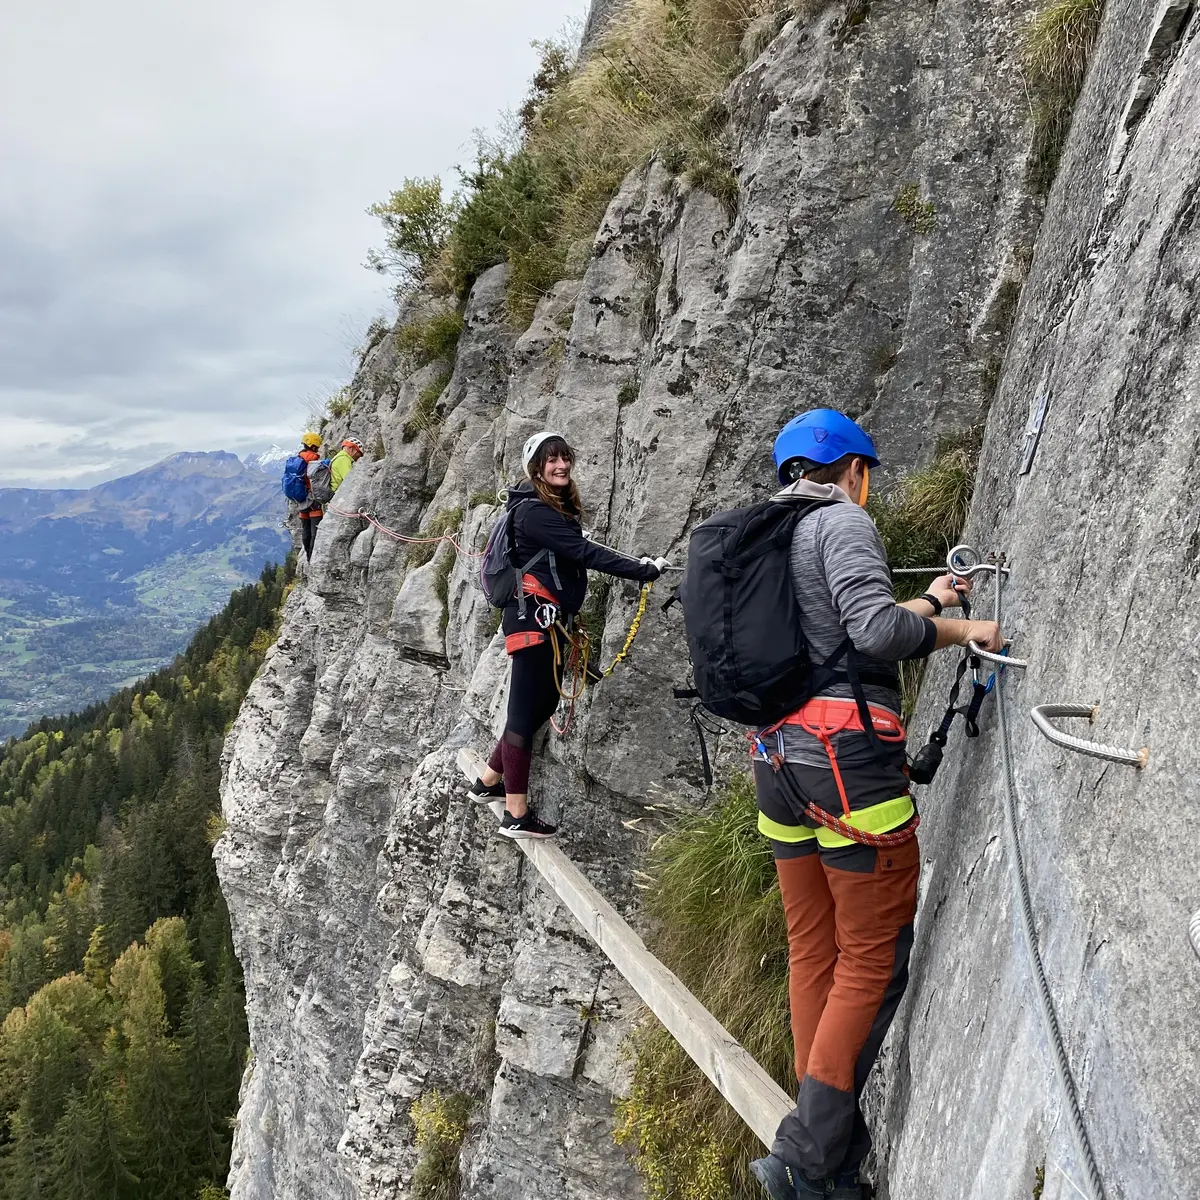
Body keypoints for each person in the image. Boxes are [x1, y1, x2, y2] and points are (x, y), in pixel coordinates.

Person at [747, 409, 1003, 1200]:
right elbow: (872, 633)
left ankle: (824, 1141)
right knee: (871, 954)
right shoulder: (842, 522)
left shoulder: (765, 534)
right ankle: (809, 1158)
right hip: (844, 766)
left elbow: (846, 630)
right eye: (868, 474)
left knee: (812, 948)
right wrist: (966, 627)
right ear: (852, 468)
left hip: (775, 758)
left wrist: (926, 603)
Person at [467, 431, 669, 840]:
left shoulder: (543, 509)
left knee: (541, 704)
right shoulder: (536, 513)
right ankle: (516, 815)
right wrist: (644, 569)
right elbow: (586, 554)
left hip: (543, 620)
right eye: (551, 460)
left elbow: (576, 550)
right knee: (525, 711)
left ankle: (489, 781)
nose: (561, 465)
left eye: (564, 457)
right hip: (535, 622)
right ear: (536, 468)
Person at [295, 433, 324, 561]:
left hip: (300, 499)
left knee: (305, 530)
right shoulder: (313, 458)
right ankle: (313, 558)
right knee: (315, 531)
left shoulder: (297, 458)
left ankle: (307, 556)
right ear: (313, 446)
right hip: (312, 499)